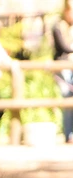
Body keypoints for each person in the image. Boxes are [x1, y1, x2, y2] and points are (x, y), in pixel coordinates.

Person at [52, 5, 73, 143]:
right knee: (67, 97)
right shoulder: (58, 26)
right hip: (63, 65)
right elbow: (63, 46)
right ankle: (69, 134)